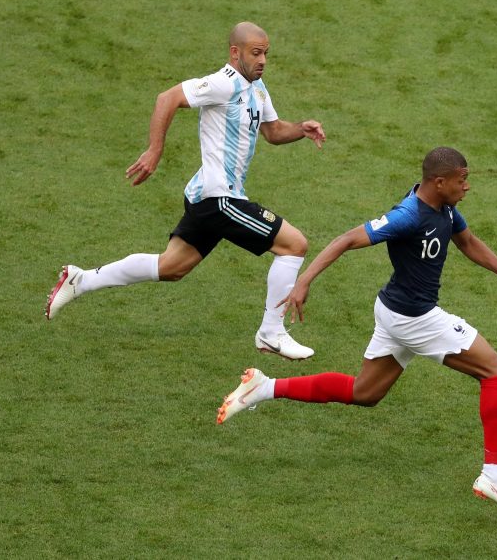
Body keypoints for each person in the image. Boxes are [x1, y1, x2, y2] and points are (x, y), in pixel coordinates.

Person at [216, 147, 497, 520]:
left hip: (394, 310)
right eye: (462, 179)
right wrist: (303, 281)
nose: (467, 186)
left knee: (363, 393)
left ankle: (263, 387)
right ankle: (492, 475)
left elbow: (467, 242)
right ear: (440, 181)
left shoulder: (444, 207)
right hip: (415, 318)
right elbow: (347, 239)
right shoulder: (408, 216)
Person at [46, 22, 327, 359]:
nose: (263, 59)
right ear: (235, 53)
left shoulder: (258, 88)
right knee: (294, 245)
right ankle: (271, 332)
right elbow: (168, 98)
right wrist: (154, 150)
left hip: (208, 196)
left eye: (266, 52)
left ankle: (81, 280)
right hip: (218, 198)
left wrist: (301, 129)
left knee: (172, 267)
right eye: (256, 52)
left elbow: (272, 131)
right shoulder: (223, 84)